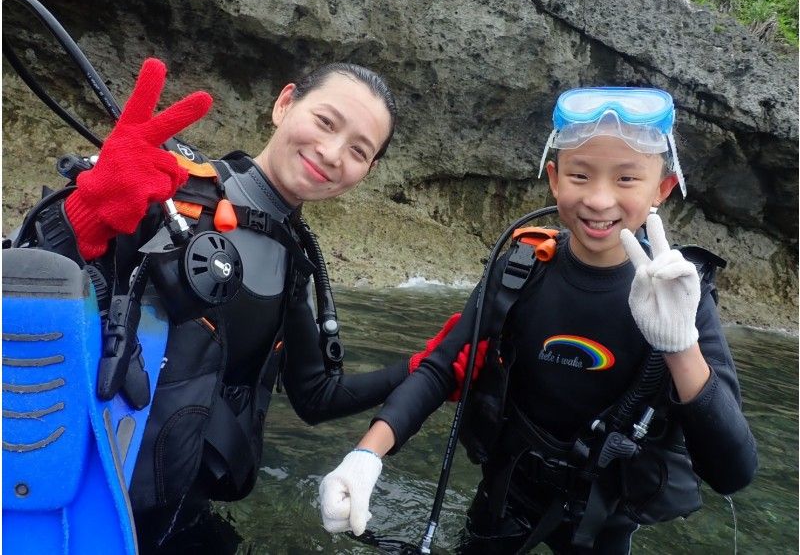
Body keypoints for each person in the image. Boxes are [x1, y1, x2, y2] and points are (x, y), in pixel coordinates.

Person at [17, 57, 476, 553]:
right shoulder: (167, 192)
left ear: (367, 170)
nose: (331, 152)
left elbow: (317, 395)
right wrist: (84, 212)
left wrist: (425, 368)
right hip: (77, 500)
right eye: (325, 122)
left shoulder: (295, 262)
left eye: (359, 150)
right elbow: (24, 282)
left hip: (182, 519)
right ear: (284, 104)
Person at [318, 87, 758, 553]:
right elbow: (440, 368)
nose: (599, 200)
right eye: (580, 175)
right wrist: (365, 455)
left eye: (627, 179)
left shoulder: (678, 295)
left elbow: (733, 472)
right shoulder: (521, 270)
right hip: (506, 492)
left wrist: (679, 345)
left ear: (662, 189)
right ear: (554, 177)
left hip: (602, 515)